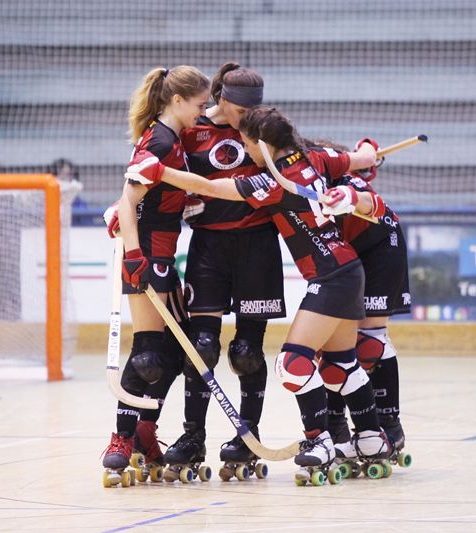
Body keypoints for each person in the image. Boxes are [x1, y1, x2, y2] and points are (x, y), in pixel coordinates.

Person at [126, 105, 391, 479]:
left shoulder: (273, 182)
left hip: (332, 278)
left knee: (293, 363)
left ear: (264, 145)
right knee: (341, 366)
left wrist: (160, 171)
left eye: (248, 145)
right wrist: (366, 155)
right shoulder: (314, 156)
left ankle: (319, 440)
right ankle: (371, 439)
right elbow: (354, 161)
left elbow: (211, 188)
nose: (246, 153)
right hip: (347, 271)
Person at [153, 62, 285, 476]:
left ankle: (248, 436)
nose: (246, 119)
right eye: (240, 111)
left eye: (252, 111)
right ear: (221, 99)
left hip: (258, 245)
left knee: (247, 352)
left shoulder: (263, 128)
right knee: (201, 347)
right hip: (209, 246)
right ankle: (193, 436)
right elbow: (155, 169)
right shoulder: (192, 128)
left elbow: (304, 158)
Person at [101, 66, 210, 485]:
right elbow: (129, 202)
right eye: (199, 104)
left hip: (164, 251)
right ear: (177, 101)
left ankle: (145, 429)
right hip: (147, 253)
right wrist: (134, 255)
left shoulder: (171, 137)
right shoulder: (162, 140)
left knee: (176, 352)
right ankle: (120, 439)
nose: (203, 112)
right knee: (147, 353)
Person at [309, 140, 411, 465]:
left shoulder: (337, 174)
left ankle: (389, 427)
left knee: (369, 342)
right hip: (342, 253)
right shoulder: (302, 174)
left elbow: (367, 195)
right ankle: (336, 427)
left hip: (380, 247)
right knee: (331, 345)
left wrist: (353, 189)